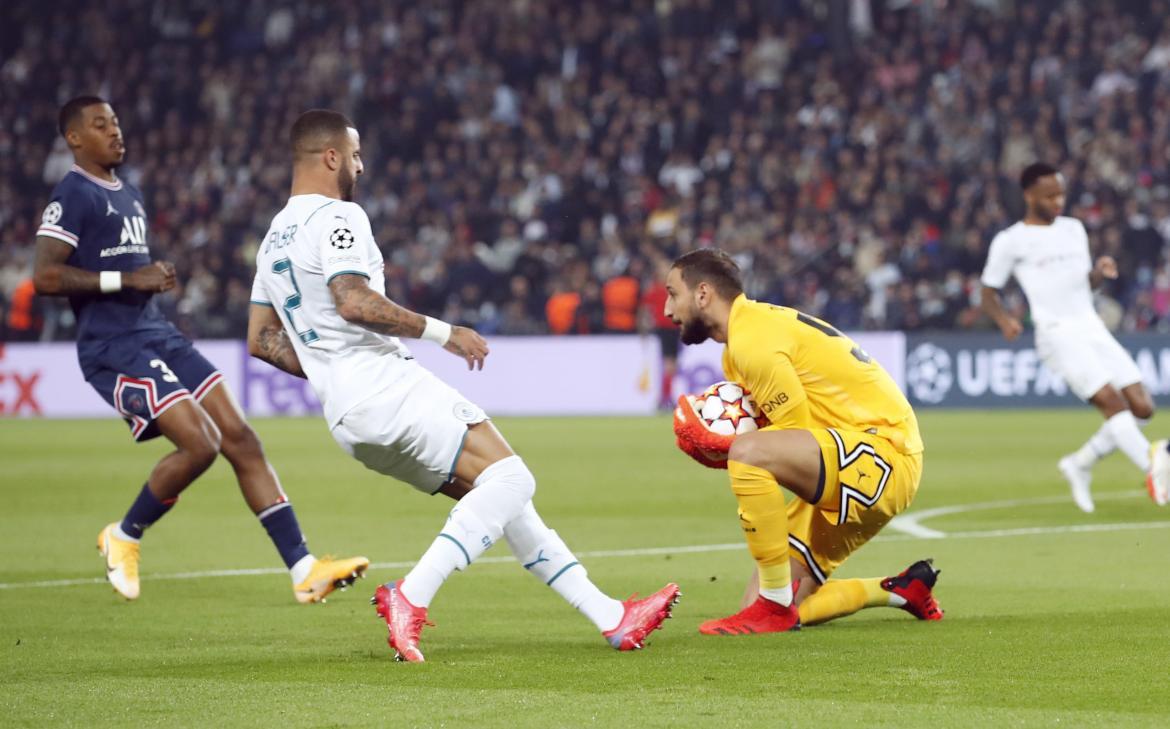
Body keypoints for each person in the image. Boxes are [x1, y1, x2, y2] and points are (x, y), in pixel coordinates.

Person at [247, 109, 679, 662]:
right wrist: (442, 332)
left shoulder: (271, 241)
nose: (361, 164)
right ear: (331, 157)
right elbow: (352, 301)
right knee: (513, 477)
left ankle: (611, 618)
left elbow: (260, 339)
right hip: (386, 387)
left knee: (500, 500)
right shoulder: (338, 216)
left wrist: (330, 369)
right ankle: (411, 596)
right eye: (355, 154)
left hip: (348, 416)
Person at [32, 96, 369, 603]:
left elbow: (127, 275)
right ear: (74, 139)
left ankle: (303, 569)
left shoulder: (130, 193)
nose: (114, 132)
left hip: (156, 333)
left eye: (117, 122)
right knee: (201, 443)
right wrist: (129, 278)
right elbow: (45, 275)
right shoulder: (73, 194)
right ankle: (123, 536)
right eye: (99, 125)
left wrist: (147, 281)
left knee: (241, 437)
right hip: (112, 346)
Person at [666, 248, 941, 635]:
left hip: (880, 454)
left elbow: (793, 433)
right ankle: (899, 592)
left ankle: (772, 607)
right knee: (781, 606)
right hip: (853, 457)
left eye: (672, 293)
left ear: (703, 293)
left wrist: (727, 446)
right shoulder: (748, 335)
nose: (666, 308)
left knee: (746, 455)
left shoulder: (752, 341)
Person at [981, 162, 1157, 513]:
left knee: (1142, 407)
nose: (1058, 200)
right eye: (1050, 195)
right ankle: (1157, 471)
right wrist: (1004, 320)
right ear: (1029, 195)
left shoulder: (1074, 229)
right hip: (1056, 333)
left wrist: (1098, 273)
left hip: (1090, 325)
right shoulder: (1011, 240)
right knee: (1112, 403)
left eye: (1061, 193)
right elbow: (988, 291)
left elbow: (1083, 282)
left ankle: (1080, 463)